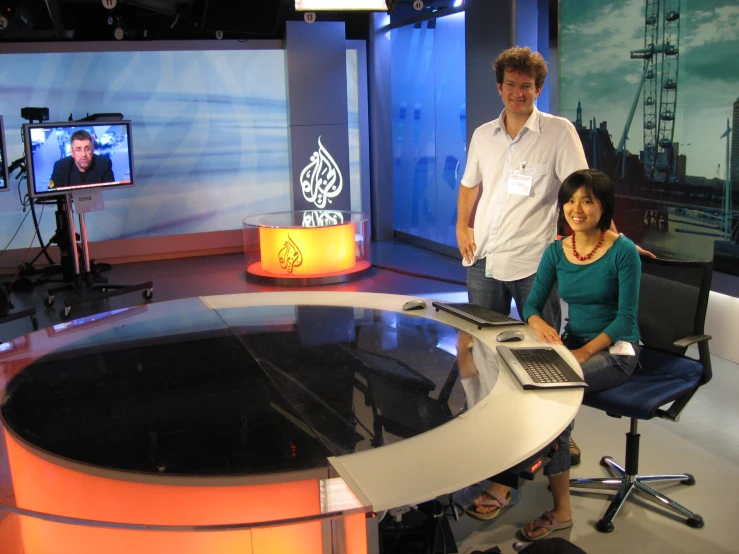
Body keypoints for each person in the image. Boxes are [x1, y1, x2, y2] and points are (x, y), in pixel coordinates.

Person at [481, 168, 642, 540]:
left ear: (604, 207)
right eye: (570, 200)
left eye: (587, 200)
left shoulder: (624, 252)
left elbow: (626, 320)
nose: (577, 208)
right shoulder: (557, 250)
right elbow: (532, 305)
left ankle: (547, 504)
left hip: (617, 350)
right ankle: (520, 479)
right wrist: (539, 324)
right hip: (573, 346)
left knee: (555, 396)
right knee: (524, 387)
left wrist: (584, 351)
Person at [49, 129, 114, 189]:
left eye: (87, 149)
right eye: (78, 149)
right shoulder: (60, 167)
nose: (83, 154)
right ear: (72, 152)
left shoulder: (104, 164)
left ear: (92, 150)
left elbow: (110, 195)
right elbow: (52, 197)